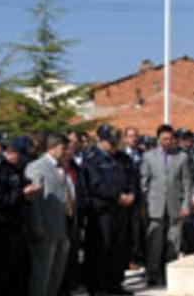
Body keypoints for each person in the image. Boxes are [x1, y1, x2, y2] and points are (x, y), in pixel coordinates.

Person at [0, 137, 40, 296]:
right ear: (11, 153)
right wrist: (22, 194)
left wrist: (28, 195)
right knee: (0, 277)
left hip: (17, 227)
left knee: (19, 274)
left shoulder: (17, 169)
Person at [84, 125, 136, 296]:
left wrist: (131, 194)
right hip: (102, 212)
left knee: (119, 249)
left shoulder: (123, 158)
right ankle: (98, 287)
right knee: (101, 249)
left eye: (115, 143)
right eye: (110, 143)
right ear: (100, 140)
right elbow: (96, 185)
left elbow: (132, 178)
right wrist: (117, 196)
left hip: (121, 210)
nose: (114, 146)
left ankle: (114, 283)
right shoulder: (92, 159)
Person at [141, 124, 193, 287]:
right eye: (164, 138)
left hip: (175, 206)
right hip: (155, 206)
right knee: (154, 243)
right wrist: (144, 204)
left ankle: (169, 273)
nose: (167, 141)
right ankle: (153, 273)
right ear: (158, 139)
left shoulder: (182, 157)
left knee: (174, 241)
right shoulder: (149, 157)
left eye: (170, 139)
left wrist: (186, 204)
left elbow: (187, 182)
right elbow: (144, 182)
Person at [25, 134, 72, 296]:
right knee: (42, 273)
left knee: (56, 272)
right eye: (64, 148)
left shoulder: (60, 166)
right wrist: (37, 226)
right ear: (54, 147)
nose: (67, 152)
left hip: (61, 227)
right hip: (45, 229)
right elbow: (34, 201)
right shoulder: (37, 166)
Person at [60, 130, 87, 296]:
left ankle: (72, 282)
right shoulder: (55, 168)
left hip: (76, 214)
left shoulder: (75, 168)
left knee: (73, 251)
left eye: (72, 148)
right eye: (67, 148)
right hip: (60, 217)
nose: (70, 151)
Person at [122, 127, 145, 270]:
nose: (133, 139)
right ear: (125, 139)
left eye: (136, 136)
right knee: (123, 231)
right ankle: (125, 258)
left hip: (138, 198)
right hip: (122, 199)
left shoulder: (143, 155)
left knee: (137, 230)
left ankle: (135, 257)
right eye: (130, 136)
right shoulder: (120, 155)